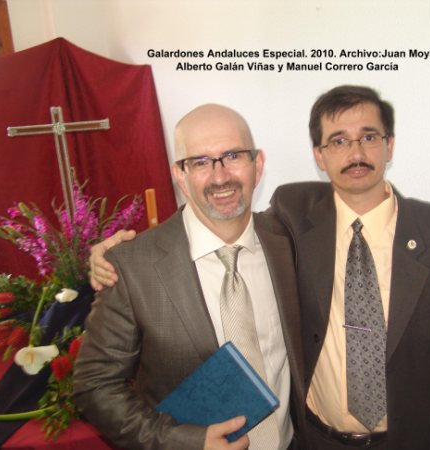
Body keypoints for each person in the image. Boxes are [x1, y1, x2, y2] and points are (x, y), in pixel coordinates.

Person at [90, 85, 430, 449]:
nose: (220, 175)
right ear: (319, 155)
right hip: (316, 440)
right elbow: (95, 384)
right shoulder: (293, 221)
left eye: (368, 137)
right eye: (338, 141)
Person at [74, 104, 305, 450]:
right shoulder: (132, 267)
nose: (220, 176)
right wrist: (184, 442)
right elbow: (94, 385)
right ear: (179, 175)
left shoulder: (290, 241)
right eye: (200, 162)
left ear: (257, 165)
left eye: (233, 156)